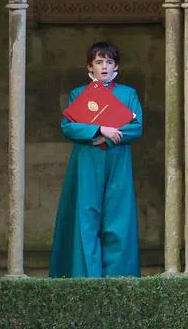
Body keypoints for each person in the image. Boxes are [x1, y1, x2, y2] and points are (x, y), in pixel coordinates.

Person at [50, 42, 143, 277]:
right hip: (87, 161)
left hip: (117, 160)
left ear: (116, 66)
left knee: (118, 218)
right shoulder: (78, 93)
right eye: (99, 62)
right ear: (90, 66)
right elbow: (68, 126)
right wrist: (100, 129)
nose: (104, 67)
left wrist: (108, 139)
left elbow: (136, 126)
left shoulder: (127, 94)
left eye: (109, 62)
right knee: (86, 217)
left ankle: (118, 278)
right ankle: (85, 278)